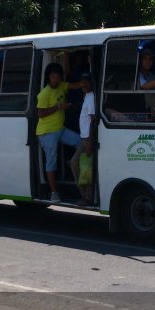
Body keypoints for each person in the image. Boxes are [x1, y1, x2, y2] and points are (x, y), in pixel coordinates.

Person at [36, 63, 85, 203]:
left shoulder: (62, 85)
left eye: (57, 77)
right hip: (47, 132)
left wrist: (84, 83)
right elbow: (40, 114)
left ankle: (73, 162)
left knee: (80, 142)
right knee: (52, 162)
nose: (55, 80)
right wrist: (59, 107)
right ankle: (54, 193)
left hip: (59, 129)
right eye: (53, 78)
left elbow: (73, 86)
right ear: (49, 78)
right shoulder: (44, 94)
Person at [70, 72, 96, 206]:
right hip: (84, 137)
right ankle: (86, 195)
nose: (84, 84)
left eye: (87, 82)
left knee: (81, 166)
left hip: (87, 139)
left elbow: (92, 121)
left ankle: (87, 197)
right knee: (83, 166)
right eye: (83, 82)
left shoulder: (91, 97)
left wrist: (89, 142)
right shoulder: (87, 96)